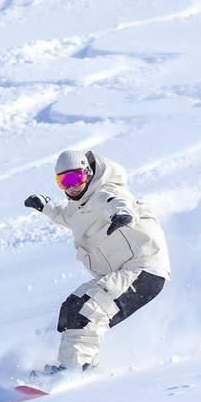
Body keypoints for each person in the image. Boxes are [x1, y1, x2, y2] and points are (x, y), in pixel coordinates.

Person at [24, 149, 170, 378]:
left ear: (88, 173)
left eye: (76, 178)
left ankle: (75, 369)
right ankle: (70, 365)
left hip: (144, 270)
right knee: (73, 307)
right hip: (125, 272)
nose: (71, 186)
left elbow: (117, 202)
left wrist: (122, 215)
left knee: (88, 309)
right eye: (63, 181)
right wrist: (46, 206)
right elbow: (67, 216)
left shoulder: (104, 192)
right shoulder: (79, 205)